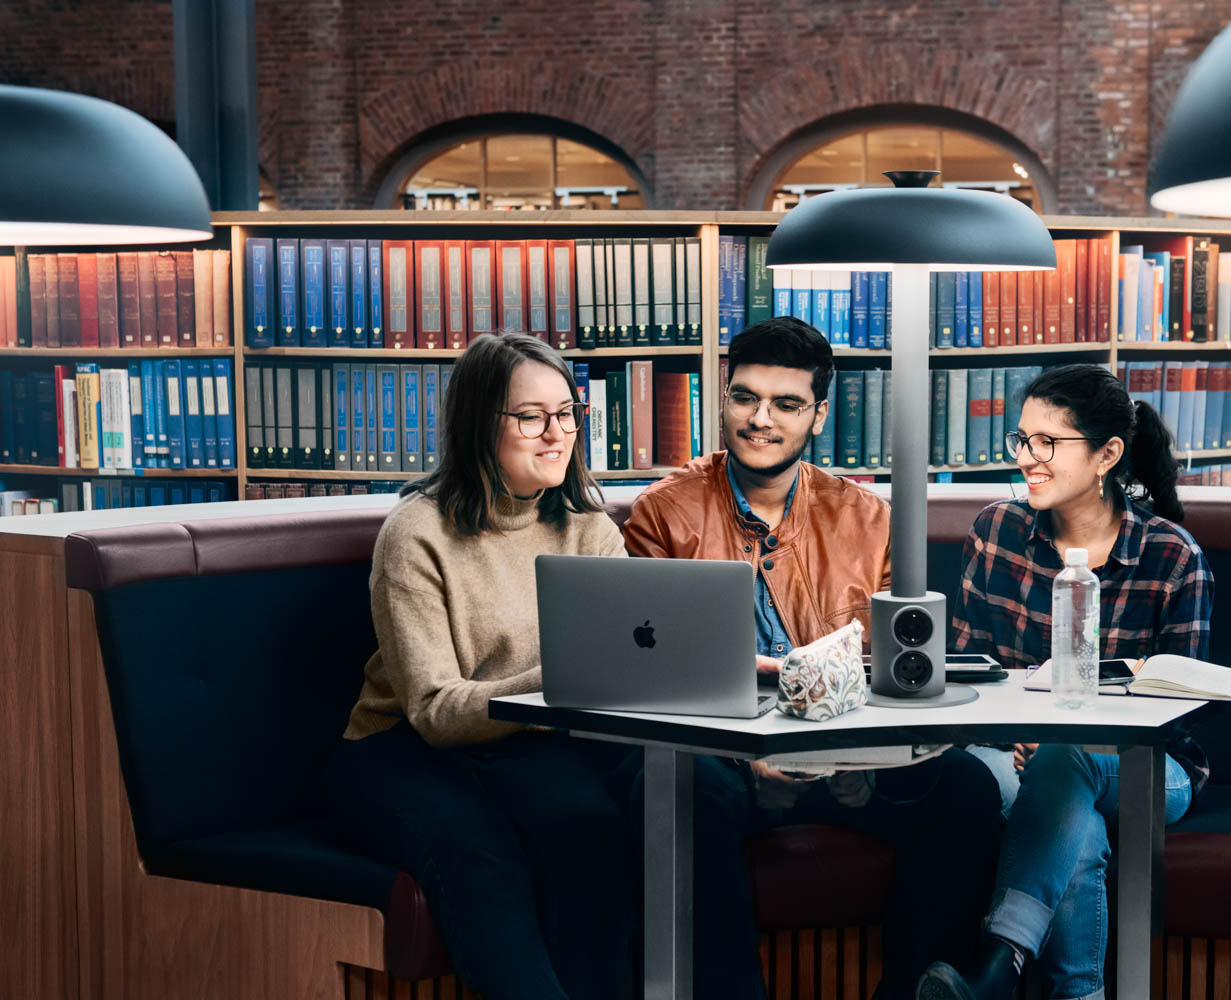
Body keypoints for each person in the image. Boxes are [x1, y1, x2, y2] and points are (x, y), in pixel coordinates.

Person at [623, 316, 1005, 1000]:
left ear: (819, 414)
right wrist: (748, 757)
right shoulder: (663, 514)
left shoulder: (868, 516)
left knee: (966, 790)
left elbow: (897, 668)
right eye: (744, 397)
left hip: (851, 758)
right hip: (727, 762)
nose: (759, 419)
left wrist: (859, 755)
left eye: (786, 404)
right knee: (683, 792)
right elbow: (657, 681)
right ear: (722, 394)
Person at [322, 332, 636, 1000]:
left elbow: (622, 660)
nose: (556, 434)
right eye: (530, 416)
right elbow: (435, 712)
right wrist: (566, 675)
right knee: (478, 855)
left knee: (591, 833)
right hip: (397, 748)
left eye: (566, 413)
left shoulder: (589, 527)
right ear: (477, 423)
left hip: (524, 740)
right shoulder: (416, 534)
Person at [919, 364, 1215, 1000]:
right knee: (1076, 828)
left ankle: (998, 961)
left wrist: (1058, 745)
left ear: (1108, 454)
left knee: (1067, 759)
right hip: (1014, 751)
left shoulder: (1172, 557)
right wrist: (1021, 739)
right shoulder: (995, 532)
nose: (1028, 458)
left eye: (1048, 443)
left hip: (1151, 768)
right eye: (1022, 440)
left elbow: (1181, 713)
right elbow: (972, 672)